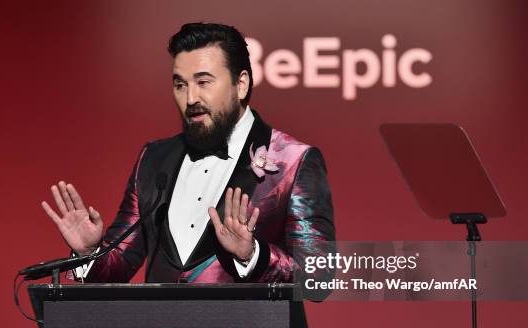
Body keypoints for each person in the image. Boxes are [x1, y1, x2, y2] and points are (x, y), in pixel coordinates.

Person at [41, 22, 336, 284]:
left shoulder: (293, 161)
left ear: (241, 84)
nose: (191, 98)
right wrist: (90, 251)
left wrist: (253, 255)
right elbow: (118, 265)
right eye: (180, 84)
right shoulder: (154, 159)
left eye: (204, 82)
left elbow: (319, 273)